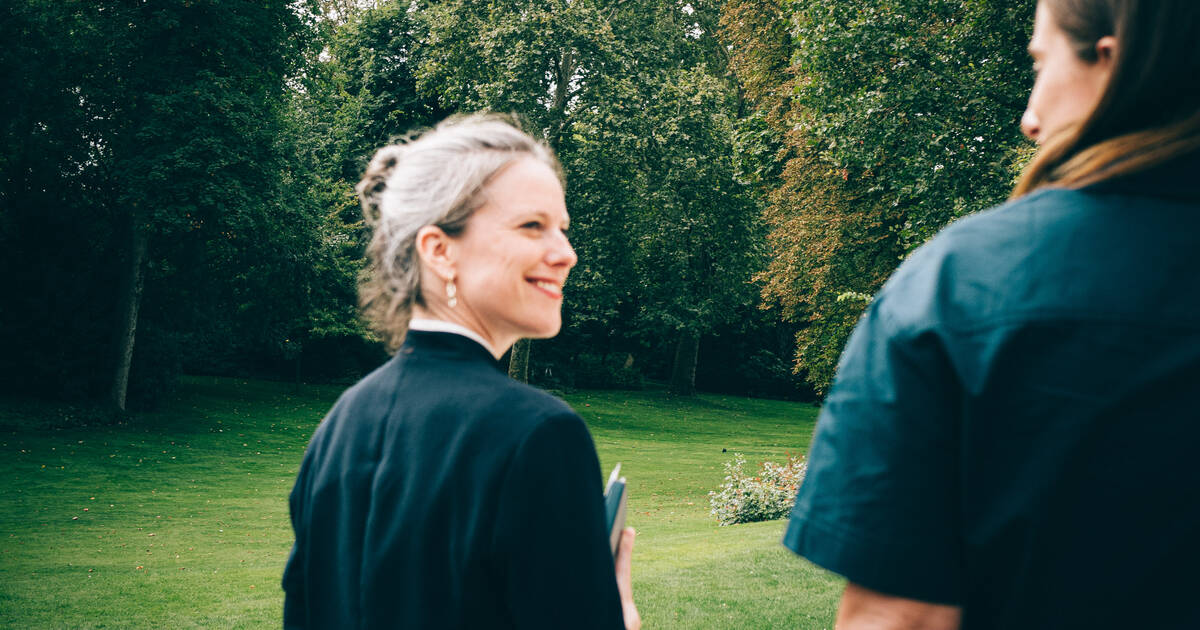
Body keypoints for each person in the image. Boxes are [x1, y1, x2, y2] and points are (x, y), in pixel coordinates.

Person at [784, 1, 1200, 628]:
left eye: (1041, 62)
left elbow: (900, 618)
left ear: (1111, 66)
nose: (1030, 119)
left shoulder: (958, 287)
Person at [282, 114, 640, 630]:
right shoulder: (539, 435)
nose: (566, 254)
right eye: (532, 226)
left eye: (563, 229)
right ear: (439, 250)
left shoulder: (337, 428)